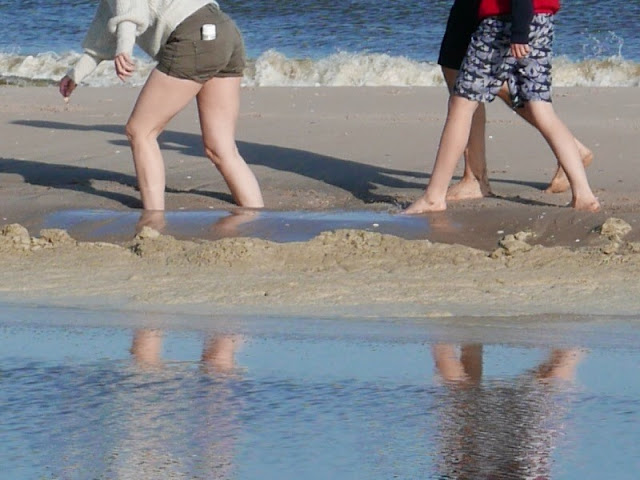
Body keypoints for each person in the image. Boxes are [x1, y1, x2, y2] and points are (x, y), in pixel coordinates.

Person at [59, 0, 264, 211]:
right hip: (225, 32)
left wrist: (124, 50)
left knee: (140, 131)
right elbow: (101, 41)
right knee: (221, 148)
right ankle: (260, 216)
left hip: (192, 36)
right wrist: (76, 74)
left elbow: (130, 12)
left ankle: (154, 217)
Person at [405, 0, 600, 213]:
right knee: (541, 107)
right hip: (541, 18)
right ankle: (584, 195)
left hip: (501, 23)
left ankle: (434, 196)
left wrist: (519, 31)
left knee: (462, 104)